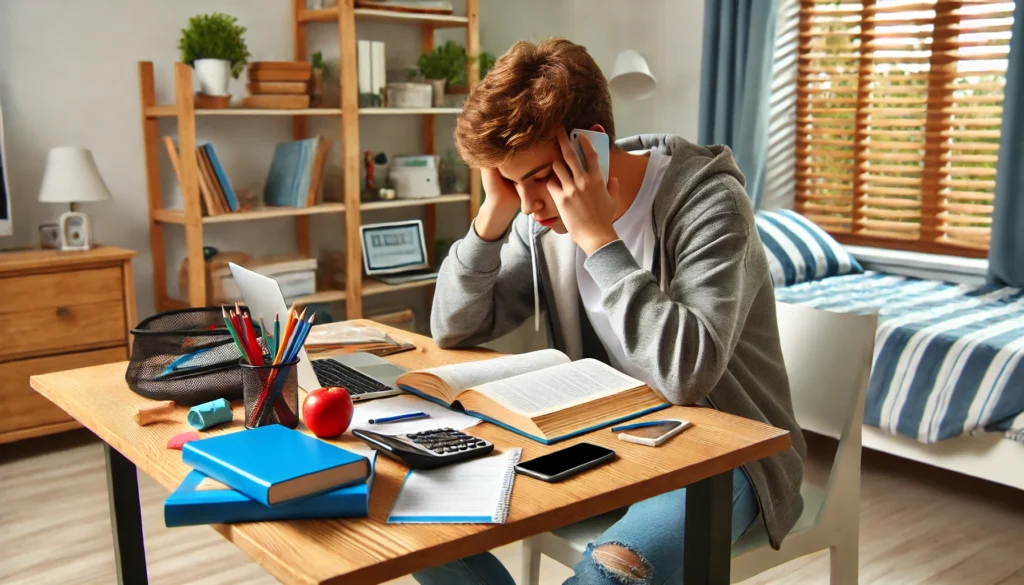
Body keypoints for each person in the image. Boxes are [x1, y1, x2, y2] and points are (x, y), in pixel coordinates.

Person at [419, 38, 806, 585]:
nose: (529, 204)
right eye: (510, 180)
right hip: (604, 443)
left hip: (730, 456)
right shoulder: (539, 221)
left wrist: (599, 240)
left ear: (592, 147)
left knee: (612, 573)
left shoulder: (709, 202)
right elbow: (455, 327)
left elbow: (687, 374)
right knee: (425, 521)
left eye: (538, 177)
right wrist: (489, 218)